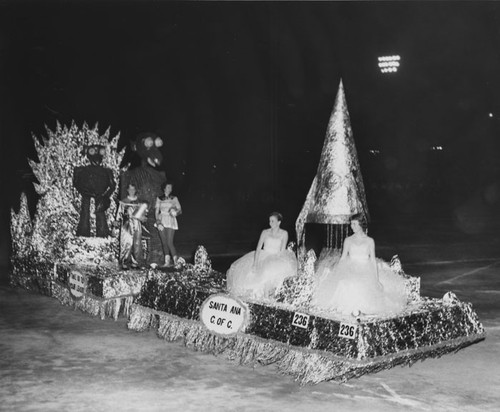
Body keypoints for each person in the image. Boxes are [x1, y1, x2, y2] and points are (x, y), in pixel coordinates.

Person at [311, 214, 407, 317]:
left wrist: (376, 279)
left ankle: (360, 308)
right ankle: (352, 307)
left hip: (366, 268)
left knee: (366, 284)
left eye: (354, 224)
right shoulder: (348, 240)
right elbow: (343, 258)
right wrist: (337, 272)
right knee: (347, 283)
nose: (352, 226)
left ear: (361, 225)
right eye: (351, 224)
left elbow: (372, 261)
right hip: (351, 267)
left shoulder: (370, 241)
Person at [226, 212, 298, 300]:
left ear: (279, 222)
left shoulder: (284, 233)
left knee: (271, 270)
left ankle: (269, 296)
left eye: (272, 221)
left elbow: (282, 251)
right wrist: (255, 263)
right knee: (258, 272)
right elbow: (258, 248)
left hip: (275, 257)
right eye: (269, 221)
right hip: (263, 255)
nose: (270, 223)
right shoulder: (265, 232)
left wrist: (278, 260)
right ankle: (263, 297)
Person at [116, 183, 148, 270]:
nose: (132, 191)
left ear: (135, 190)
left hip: (137, 224)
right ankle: (124, 262)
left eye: (133, 189)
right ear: (127, 190)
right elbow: (119, 214)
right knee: (127, 243)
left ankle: (136, 262)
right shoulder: (123, 202)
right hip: (126, 224)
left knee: (137, 243)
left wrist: (143, 217)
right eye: (130, 189)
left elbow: (144, 214)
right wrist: (117, 221)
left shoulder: (140, 202)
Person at [155, 181, 182, 267]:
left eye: (171, 187)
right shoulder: (159, 198)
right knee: (164, 242)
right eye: (168, 187)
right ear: (164, 188)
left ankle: (176, 261)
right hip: (161, 219)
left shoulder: (174, 198)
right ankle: (167, 262)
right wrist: (158, 221)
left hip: (170, 220)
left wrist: (175, 213)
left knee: (169, 242)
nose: (170, 189)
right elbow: (156, 211)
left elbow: (180, 210)